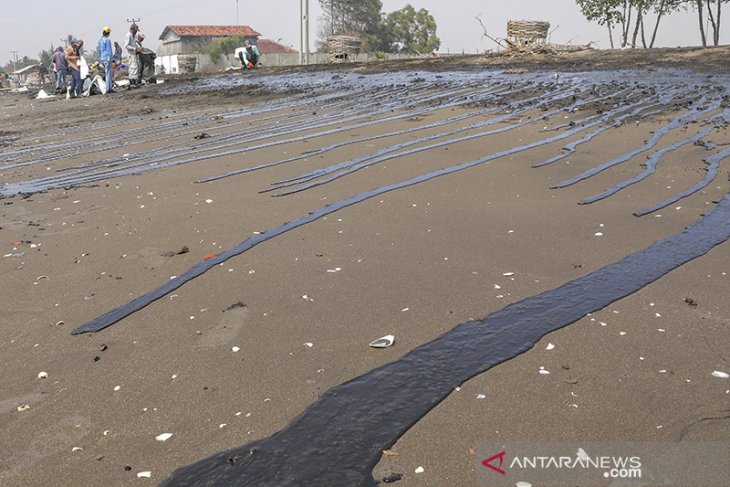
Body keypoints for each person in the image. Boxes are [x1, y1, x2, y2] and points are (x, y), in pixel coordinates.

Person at [123, 23, 142, 88]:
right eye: (136, 30)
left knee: (134, 68)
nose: (136, 31)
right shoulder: (129, 35)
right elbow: (126, 45)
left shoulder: (132, 36)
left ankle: (134, 83)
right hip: (131, 54)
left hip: (133, 53)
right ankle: (132, 83)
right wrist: (135, 48)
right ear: (133, 29)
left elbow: (133, 44)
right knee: (133, 68)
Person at [98, 25, 114, 93]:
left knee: (107, 72)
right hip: (107, 58)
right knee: (108, 73)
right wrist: (111, 58)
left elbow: (99, 50)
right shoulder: (107, 40)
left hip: (103, 58)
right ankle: (109, 88)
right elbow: (109, 50)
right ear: (108, 33)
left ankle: (109, 87)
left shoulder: (100, 40)